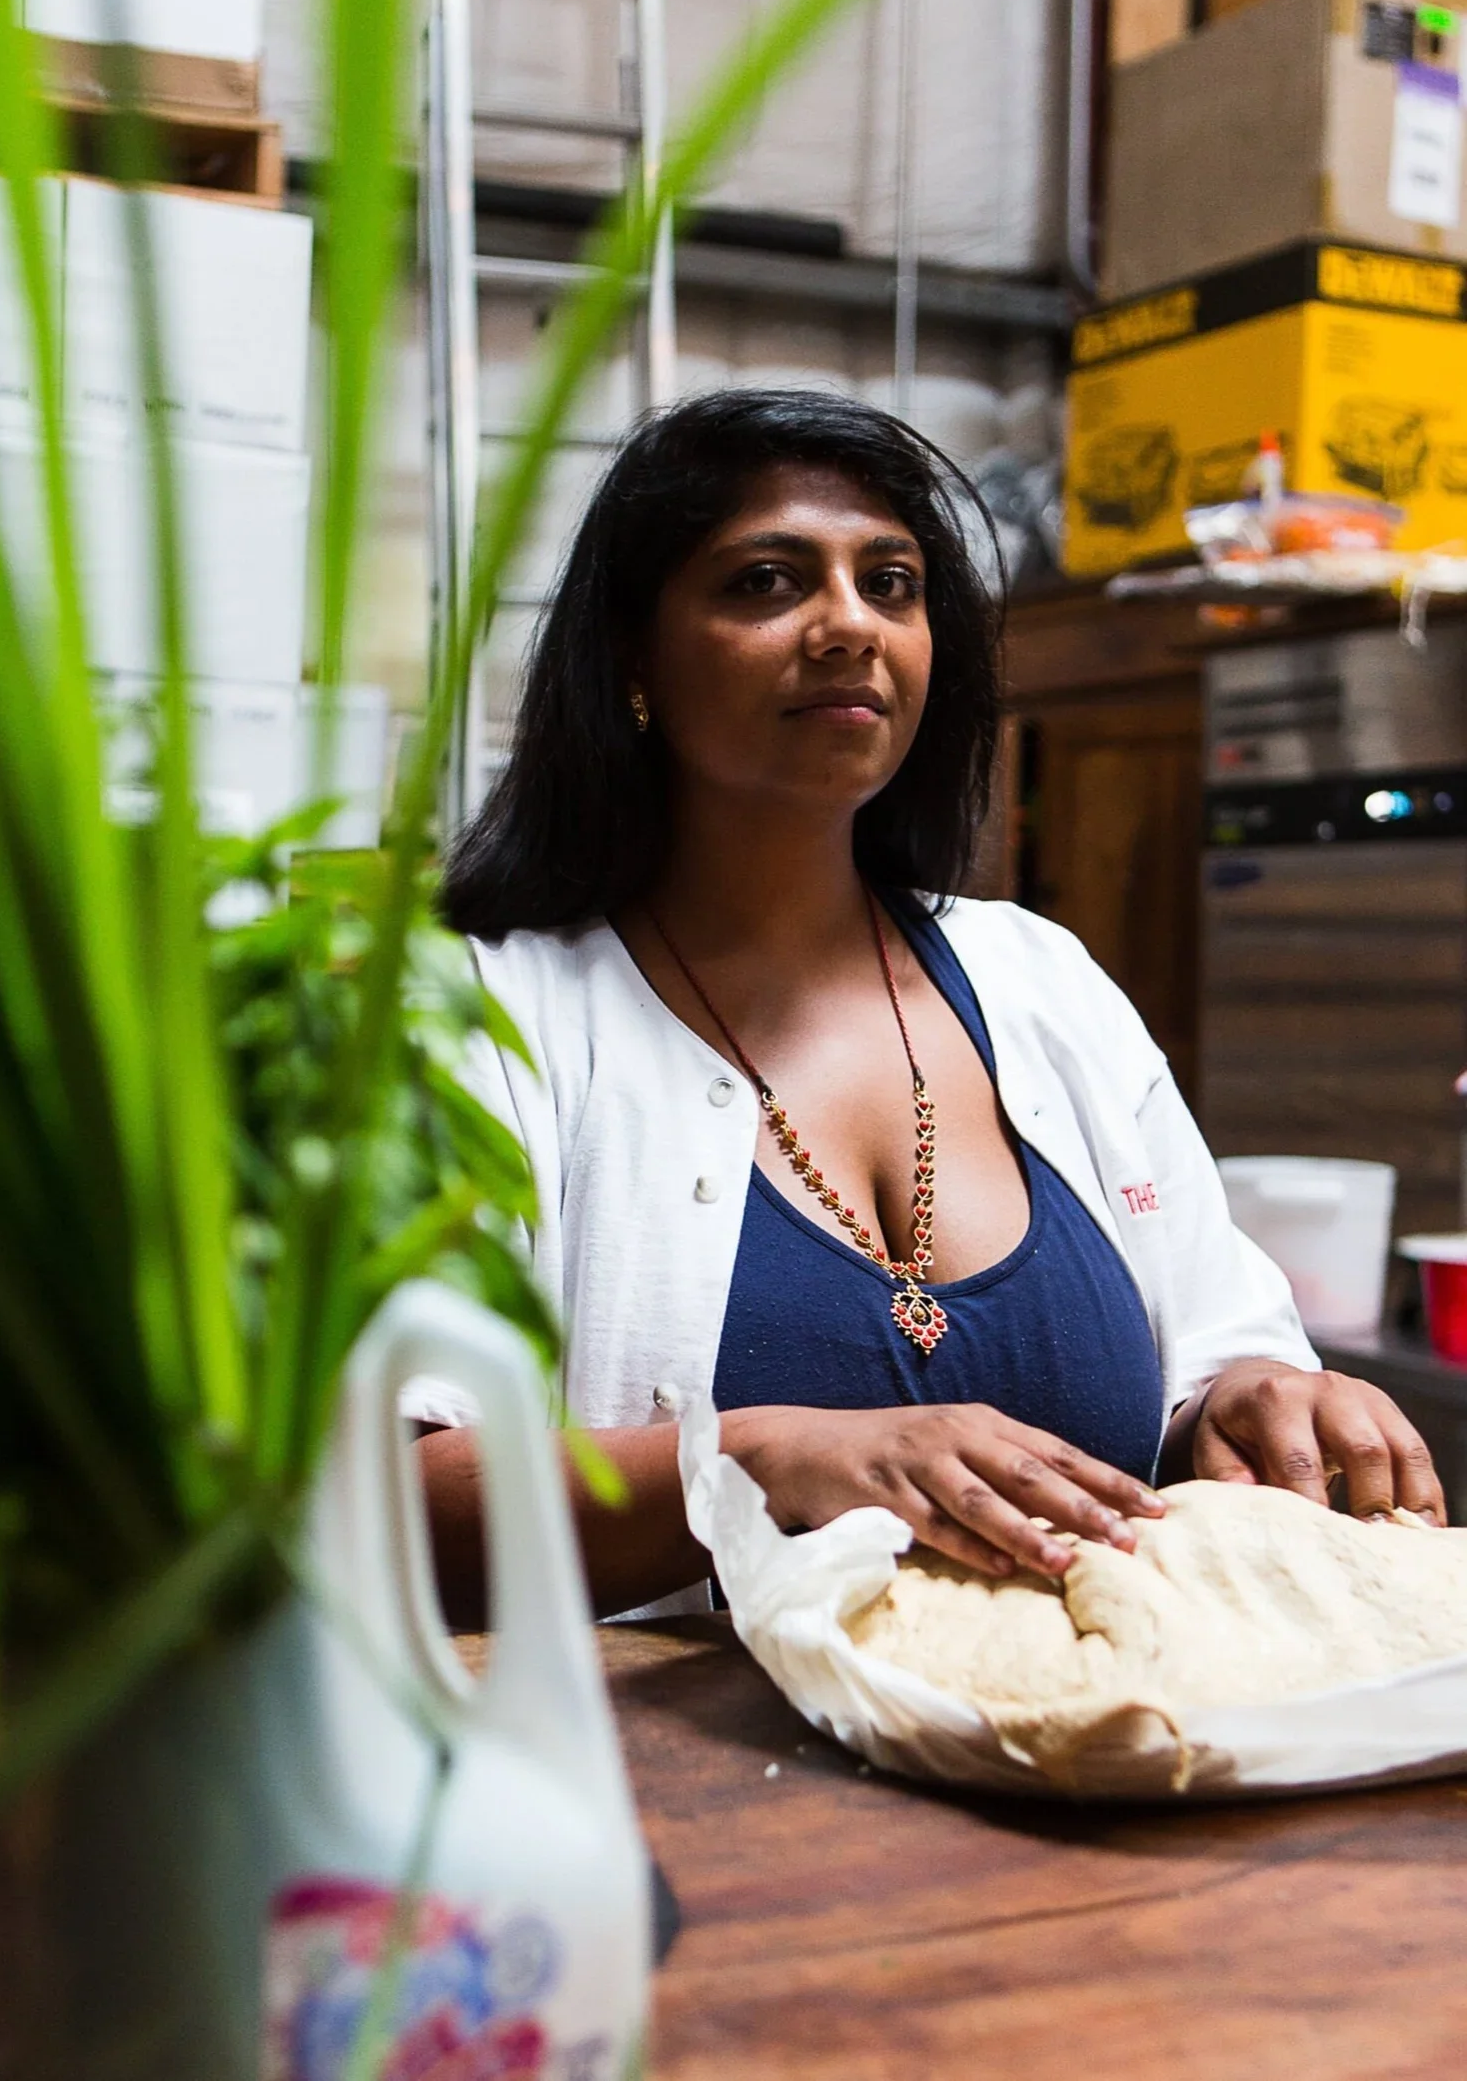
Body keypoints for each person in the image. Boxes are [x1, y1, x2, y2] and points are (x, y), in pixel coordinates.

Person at [418, 387, 1445, 1626]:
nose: (850, 622)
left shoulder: (1038, 980)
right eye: (766, 581)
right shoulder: (494, 1017)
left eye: (892, 583)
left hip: (1096, 1760)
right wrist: (761, 1461)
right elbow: (387, 1503)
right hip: (687, 1800)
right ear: (634, 658)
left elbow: (1217, 1349)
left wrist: (1255, 1399)